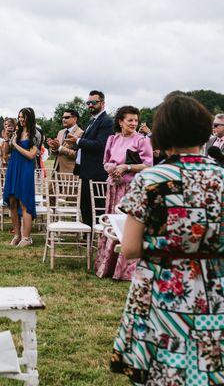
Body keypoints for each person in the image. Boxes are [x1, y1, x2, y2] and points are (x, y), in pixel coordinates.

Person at [110, 93, 224, 385]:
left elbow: (131, 249)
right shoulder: (221, 178)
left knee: (165, 368)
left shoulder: (150, 180)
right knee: (209, 366)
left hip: (163, 289)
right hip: (214, 288)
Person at [95, 106, 153, 280]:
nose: (134, 123)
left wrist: (126, 167)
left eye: (136, 120)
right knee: (112, 226)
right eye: (130, 120)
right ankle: (108, 266)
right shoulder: (113, 139)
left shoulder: (142, 140)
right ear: (120, 122)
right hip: (114, 187)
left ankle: (125, 270)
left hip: (131, 190)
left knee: (127, 227)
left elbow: (148, 165)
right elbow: (106, 161)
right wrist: (111, 168)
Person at [63, 90, 113, 226]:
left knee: (95, 206)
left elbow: (101, 145)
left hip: (96, 172)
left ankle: (97, 234)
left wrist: (78, 141)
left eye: (94, 102)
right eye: (88, 103)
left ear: (102, 103)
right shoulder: (92, 121)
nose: (90, 105)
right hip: (85, 171)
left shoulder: (107, 121)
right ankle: (87, 235)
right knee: (85, 205)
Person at [3, 108, 39, 247]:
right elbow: (6, 153)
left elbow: (31, 155)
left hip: (25, 169)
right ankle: (17, 235)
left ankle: (27, 237)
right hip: (13, 168)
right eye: (19, 117)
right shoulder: (16, 133)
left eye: (23, 117)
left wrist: (16, 145)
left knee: (24, 202)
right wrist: (7, 139)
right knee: (12, 201)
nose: (21, 119)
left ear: (30, 118)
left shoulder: (35, 134)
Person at [47, 109, 84, 174]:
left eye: (66, 117)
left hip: (70, 174)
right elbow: (57, 153)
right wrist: (54, 148)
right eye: (62, 118)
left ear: (75, 119)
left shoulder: (81, 133)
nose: (63, 120)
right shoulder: (60, 132)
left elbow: (78, 155)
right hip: (56, 172)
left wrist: (60, 148)